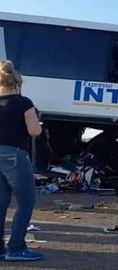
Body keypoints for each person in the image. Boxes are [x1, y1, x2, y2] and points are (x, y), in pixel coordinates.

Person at [0, 60, 43, 261]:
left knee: (0, 202)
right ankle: (16, 248)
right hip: (13, 156)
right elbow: (34, 131)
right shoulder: (23, 102)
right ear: (17, 84)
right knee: (25, 202)